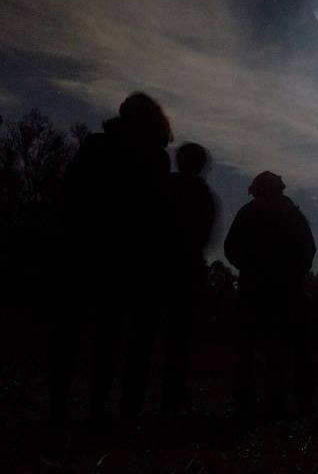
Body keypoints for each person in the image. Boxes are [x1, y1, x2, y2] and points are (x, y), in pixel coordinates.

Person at [51, 92, 173, 426]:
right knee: (107, 336)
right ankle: (94, 410)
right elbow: (157, 215)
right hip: (123, 257)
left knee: (78, 334)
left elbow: (72, 194)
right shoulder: (154, 157)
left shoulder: (100, 147)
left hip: (94, 252)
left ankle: (62, 407)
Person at [225, 171, 316, 422]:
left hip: (260, 292)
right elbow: (308, 252)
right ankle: (270, 405)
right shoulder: (292, 217)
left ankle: (251, 405)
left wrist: (251, 266)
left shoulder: (250, 214)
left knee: (256, 350)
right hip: (280, 293)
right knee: (272, 352)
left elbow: (231, 248)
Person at [162, 143, 216, 418]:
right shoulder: (204, 196)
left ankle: (134, 404)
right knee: (177, 342)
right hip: (184, 273)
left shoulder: (162, 188)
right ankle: (170, 404)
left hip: (158, 270)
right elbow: (204, 236)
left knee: (147, 337)